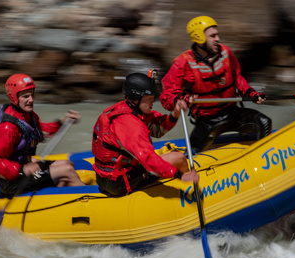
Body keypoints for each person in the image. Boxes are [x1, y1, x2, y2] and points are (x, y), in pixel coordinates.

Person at [160, 15, 272, 152]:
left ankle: (264, 158)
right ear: (199, 38)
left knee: (264, 122)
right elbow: (167, 94)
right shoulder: (182, 63)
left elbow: (237, 78)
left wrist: (251, 92)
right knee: (193, 152)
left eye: (217, 35)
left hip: (233, 113)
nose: (218, 39)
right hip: (207, 121)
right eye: (212, 36)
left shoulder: (226, 52)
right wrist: (177, 101)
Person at [92, 72, 199, 197]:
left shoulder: (127, 109)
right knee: (178, 158)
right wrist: (180, 175)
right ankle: (190, 189)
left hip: (106, 178)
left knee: (167, 159)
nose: (153, 101)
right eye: (149, 99)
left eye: (153, 97)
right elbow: (148, 159)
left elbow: (158, 128)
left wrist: (175, 113)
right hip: (119, 182)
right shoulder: (130, 125)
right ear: (135, 98)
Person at [0, 73, 84, 198]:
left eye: (32, 94)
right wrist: (22, 170)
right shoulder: (7, 128)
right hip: (12, 182)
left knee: (68, 163)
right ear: (14, 98)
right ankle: (90, 203)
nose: (31, 100)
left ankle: (57, 199)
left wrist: (62, 123)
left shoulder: (28, 115)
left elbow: (40, 130)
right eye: (26, 96)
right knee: (67, 171)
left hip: (24, 171)